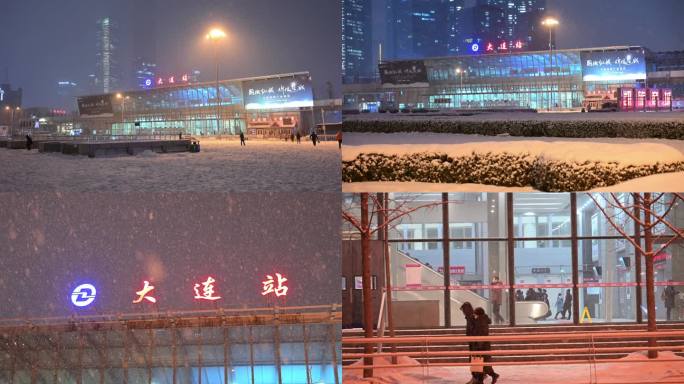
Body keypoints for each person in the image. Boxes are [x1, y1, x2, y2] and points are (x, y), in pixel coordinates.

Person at [473, 307, 500, 384]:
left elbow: (481, 333)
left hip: (481, 345)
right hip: (483, 344)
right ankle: (482, 380)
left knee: (482, 363)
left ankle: (490, 376)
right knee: (482, 363)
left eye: (475, 312)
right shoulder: (483, 320)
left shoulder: (480, 321)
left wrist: (478, 345)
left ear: (478, 313)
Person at [460, 302, 481, 384]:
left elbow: (475, 330)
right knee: (474, 360)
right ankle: (476, 377)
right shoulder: (470, 317)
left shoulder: (472, 318)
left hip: (474, 343)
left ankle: (476, 378)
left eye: (463, 310)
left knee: (474, 360)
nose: (463, 312)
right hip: (472, 342)